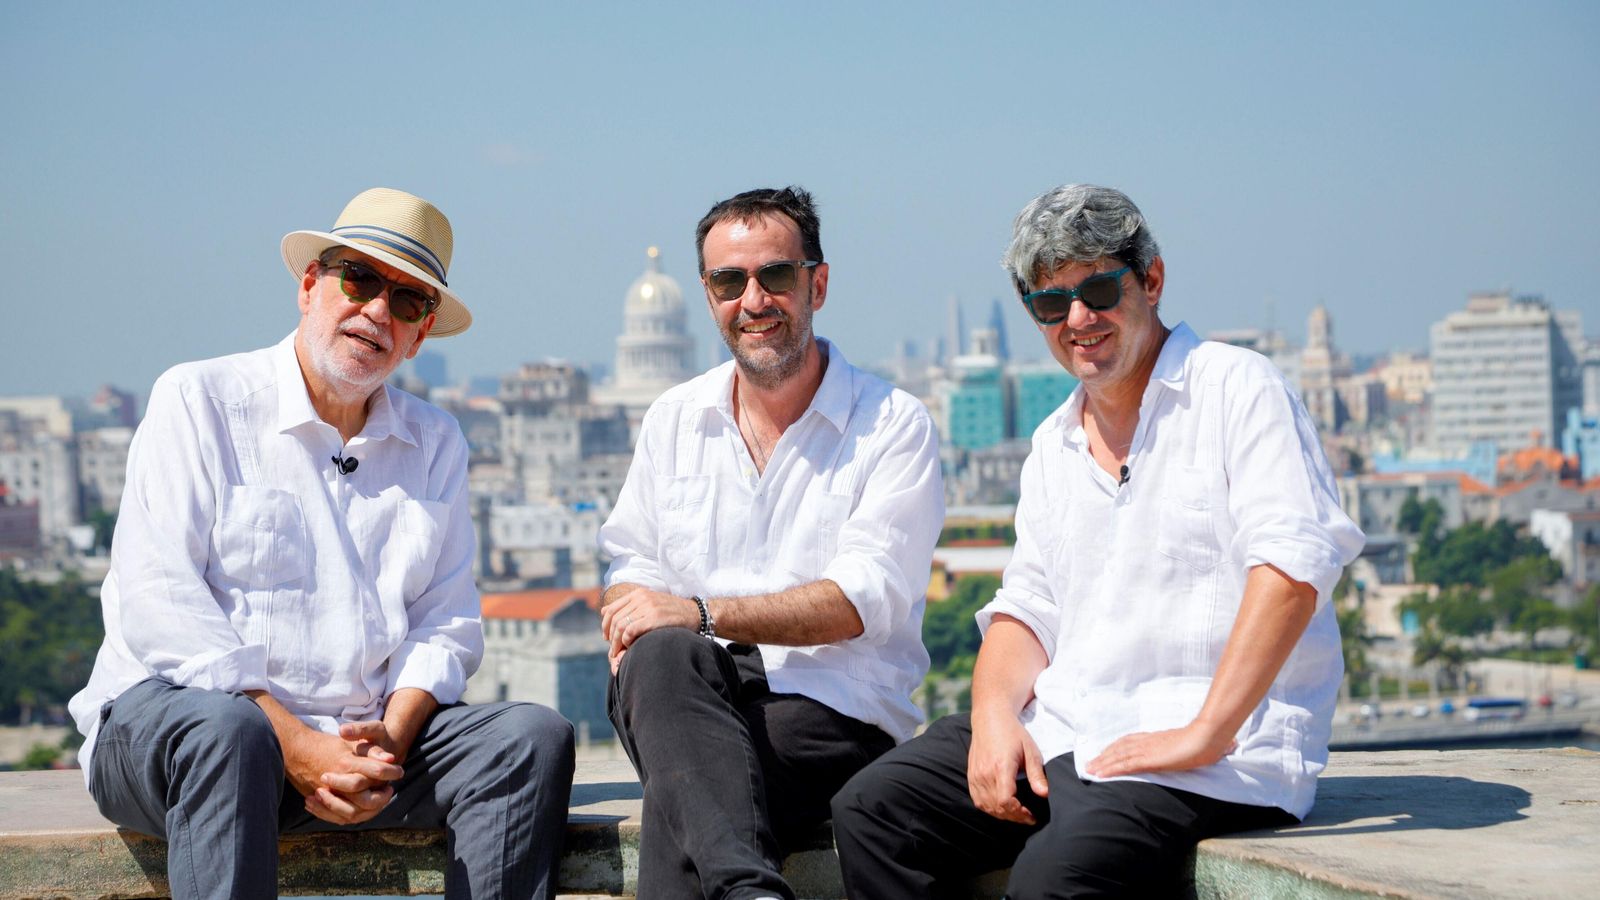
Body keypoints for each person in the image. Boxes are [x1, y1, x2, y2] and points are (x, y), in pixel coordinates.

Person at [831, 183, 1366, 898]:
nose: (1078, 319)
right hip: (1071, 731)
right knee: (871, 811)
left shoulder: (1237, 388)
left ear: (1151, 280)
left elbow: (1292, 570)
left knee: (1052, 883)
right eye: (1051, 304)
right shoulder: (1055, 442)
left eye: (1099, 290)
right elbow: (1028, 608)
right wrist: (992, 718)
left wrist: (1206, 732)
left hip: (1210, 754)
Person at [68, 188, 575, 900]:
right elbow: (161, 602)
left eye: (405, 301)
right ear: (311, 285)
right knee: (231, 733)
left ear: (419, 334)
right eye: (360, 279)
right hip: (186, 736)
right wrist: (297, 745)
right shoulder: (201, 400)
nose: (376, 311)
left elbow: (446, 621)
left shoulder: (436, 442)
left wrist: (389, 740)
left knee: (529, 738)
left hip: (358, 745)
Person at [596, 186, 944, 899]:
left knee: (687, 790)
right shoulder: (673, 418)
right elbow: (632, 565)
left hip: (828, 711)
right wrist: (642, 612)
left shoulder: (891, 424)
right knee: (663, 661)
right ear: (707, 295)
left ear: (817, 282)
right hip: (686, 695)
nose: (753, 300)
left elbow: (859, 600)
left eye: (774, 276)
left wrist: (699, 614)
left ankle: (741, 886)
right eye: (730, 281)